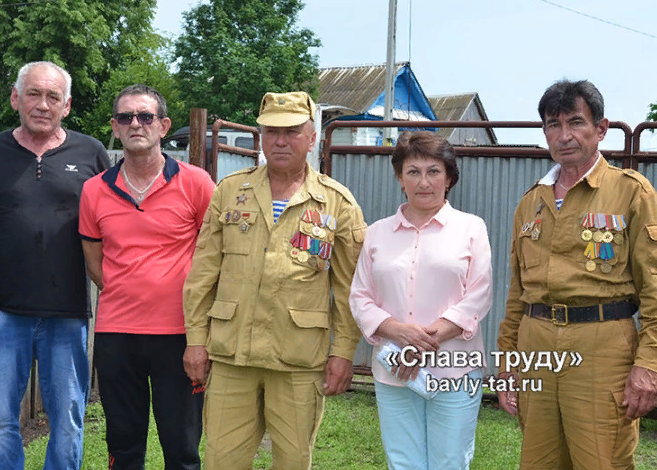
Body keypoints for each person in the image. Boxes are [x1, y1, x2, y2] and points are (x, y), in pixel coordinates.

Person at [496, 79, 657, 469]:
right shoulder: (531, 202)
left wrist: (648, 364)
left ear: (600, 128)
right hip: (537, 347)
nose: (564, 136)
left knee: (602, 461)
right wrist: (508, 362)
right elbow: (517, 292)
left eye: (576, 122)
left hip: (601, 346)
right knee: (539, 461)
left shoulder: (631, 193)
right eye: (553, 124)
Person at [183, 91, 367, 470]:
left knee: (293, 462)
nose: (280, 141)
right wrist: (196, 341)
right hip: (233, 354)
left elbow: (350, 288)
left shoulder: (337, 203)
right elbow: (203, 274)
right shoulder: (231, 191)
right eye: (271, 132)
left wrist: (343, 351)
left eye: (292, 131)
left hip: (298, 359)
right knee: (221, 461)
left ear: (312, 137)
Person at [0, 61, 111, 469]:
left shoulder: (91, 153)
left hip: (68, 313)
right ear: (16, 98)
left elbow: (118, 221)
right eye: (33, 94)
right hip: (4, 312)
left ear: (66, 105)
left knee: (68, 420)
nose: (42, 104)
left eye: (53, 97)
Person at [79, 84, 214, 470]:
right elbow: (94, 262)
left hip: (181, 335)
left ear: (163, 126)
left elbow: (212, 255)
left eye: (145, 116)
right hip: (116, 334)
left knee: (183, 447)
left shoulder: (196, 183)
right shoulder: (94, 190)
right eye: (125, 117)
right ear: (115, 127)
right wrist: (131, 290)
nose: (135, 124)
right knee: (122, 446)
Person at [349, 130, 493, 469]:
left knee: (450, 461)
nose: (423, 182)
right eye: (413, 171)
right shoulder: (377, 233)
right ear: (400, 178)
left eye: (433, 171)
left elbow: (480, 294)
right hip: (394, 370)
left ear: (449, 178)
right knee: (403, 462)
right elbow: (360, 296)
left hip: (455, 370)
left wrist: (424, 343)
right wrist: (400, 334)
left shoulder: (471, 228)